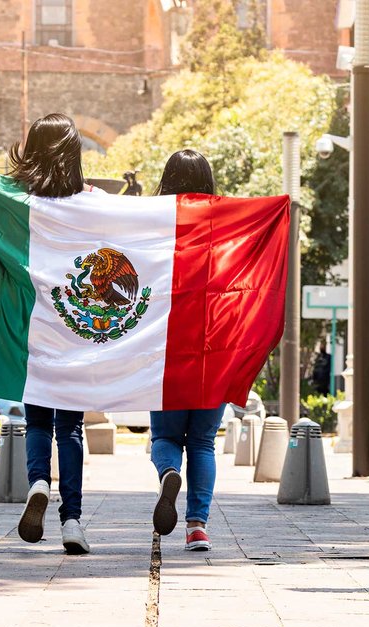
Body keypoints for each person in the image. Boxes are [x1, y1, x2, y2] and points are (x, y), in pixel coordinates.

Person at [0, 114, 98, 554]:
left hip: (31, 329)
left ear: (30, 148)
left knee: (37, 419)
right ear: (74, 152)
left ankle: (37, 483)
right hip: (73, 327)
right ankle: (72, 520)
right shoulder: (91, 202)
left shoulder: (16, 199)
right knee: (69, 427)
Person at [150, 149, 226, 552]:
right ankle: (197, 526)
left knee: (165, 434)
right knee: (202, 441)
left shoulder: (151, 222)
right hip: (213, 350)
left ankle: (167, 472)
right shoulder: (227, 225)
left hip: (165, 350)